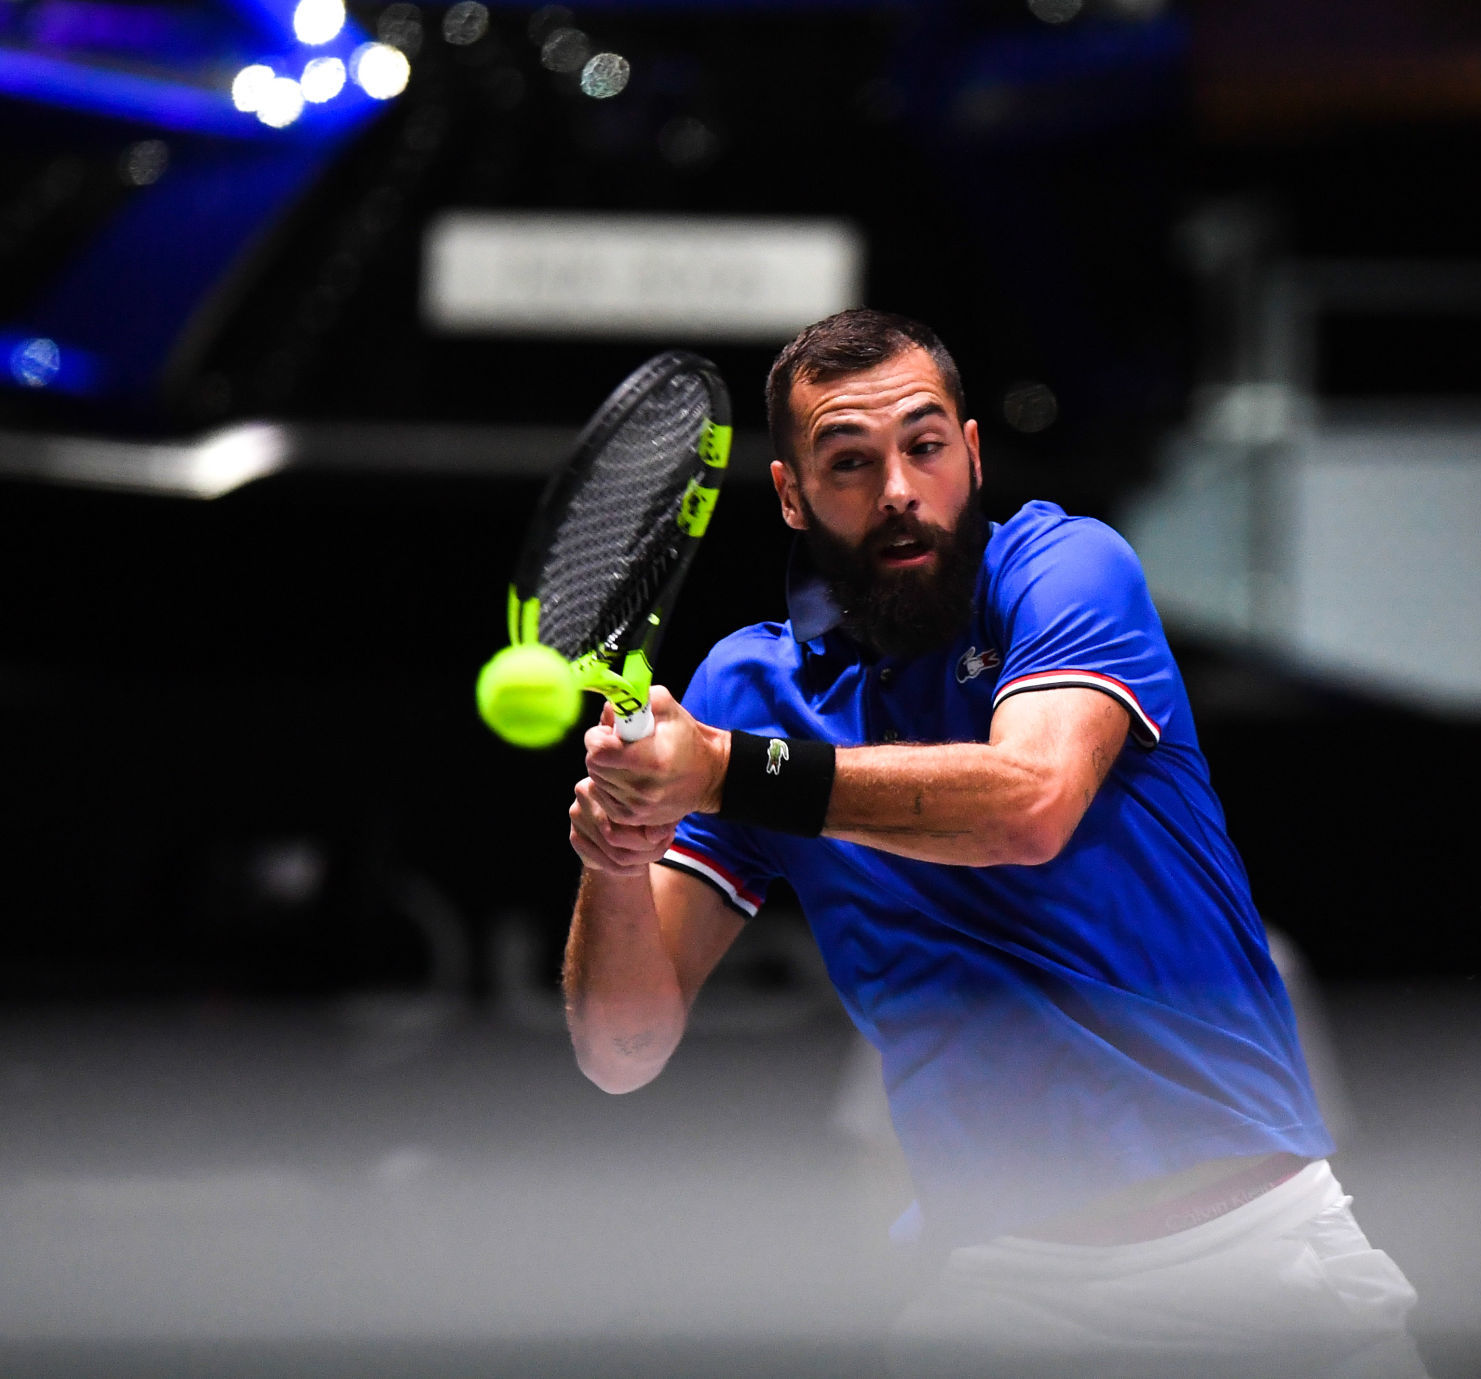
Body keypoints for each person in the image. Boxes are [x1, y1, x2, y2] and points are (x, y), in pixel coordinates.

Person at [561, 309, 1427, 1377]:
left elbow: (1030, 803)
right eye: (848, 460)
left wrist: (729, 769)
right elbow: (620, 1050)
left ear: (970, 453)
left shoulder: (1066, 568)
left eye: (923, 446)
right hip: (1008, 1296)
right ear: (789, 494)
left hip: (1257, 1271)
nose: (895, 489)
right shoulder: (747, 690)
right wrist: (613, 858)